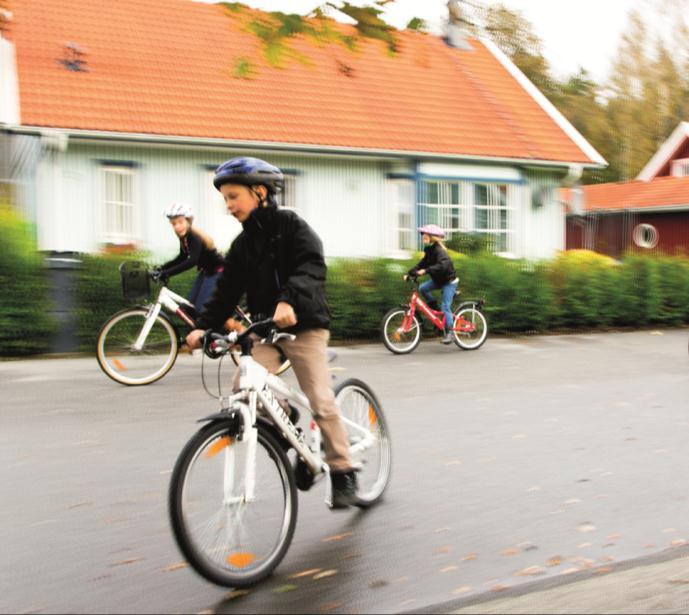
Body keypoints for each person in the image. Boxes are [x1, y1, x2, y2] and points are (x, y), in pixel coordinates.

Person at [185, 157, 358, 509]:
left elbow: (311, 265)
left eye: (234, 196)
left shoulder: (291, 226)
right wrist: (203, 326)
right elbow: (225, 292)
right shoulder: (242, 246)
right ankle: (290, 431)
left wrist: (288, 300)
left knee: (321, 399)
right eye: (226, 199)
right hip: (265, 330)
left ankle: (343, 470)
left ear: (259, 192)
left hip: (305, 327)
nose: (229, 205)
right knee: (243, 387)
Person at [153, 203, 224, 318]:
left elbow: (192, 260)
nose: (177, 226)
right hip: (206, 272)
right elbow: (182, 256)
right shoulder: (184, 237)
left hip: (217, 272)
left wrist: (168, 273)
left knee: (201, 309)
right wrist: (162, 268)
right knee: (190, 307)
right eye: (174, 224)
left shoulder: (193, 236)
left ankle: (216, 332)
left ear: (188, 221)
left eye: (180, 222)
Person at [405, 224, 459, 344]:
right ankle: (436, 310)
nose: (423, 237)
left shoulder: (439, 251)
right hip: (439, 280)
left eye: (425, 235)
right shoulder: (429, 250)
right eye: (423, 235)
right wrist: (410, 273)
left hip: (449, 282)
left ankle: (450, 332)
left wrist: (426, 271)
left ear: (432, 237)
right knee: (423, 288)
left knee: (446, 306)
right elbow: (422, 264)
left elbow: (443, 265)